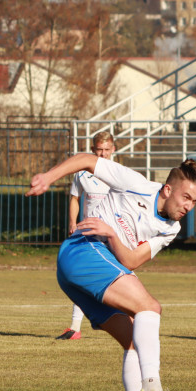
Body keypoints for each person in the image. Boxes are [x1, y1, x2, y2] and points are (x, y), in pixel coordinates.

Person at [27, 154, 196, 391]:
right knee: (150, 308)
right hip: (84, 250)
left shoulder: (171, 229)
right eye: (186, 197)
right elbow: (85, 160)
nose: (188, 206)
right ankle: (152, 389)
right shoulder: (136, 184)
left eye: (195, 202)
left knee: (134, 340)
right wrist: (48, 176)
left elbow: (131, 260)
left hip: (89, 266)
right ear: (167, 190)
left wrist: (111, 233)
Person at [57, 131, 118, 341]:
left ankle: (129, 321)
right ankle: (75, 327)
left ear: (113, 150)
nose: (102, 154)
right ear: (93, 150)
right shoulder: (82, 173)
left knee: (122, 277)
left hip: (112, 233)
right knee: (82, 278)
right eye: (99, 150)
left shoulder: (120, 173)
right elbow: (75, 199)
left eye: (106, 150)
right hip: (89, 232)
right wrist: (73, 223)